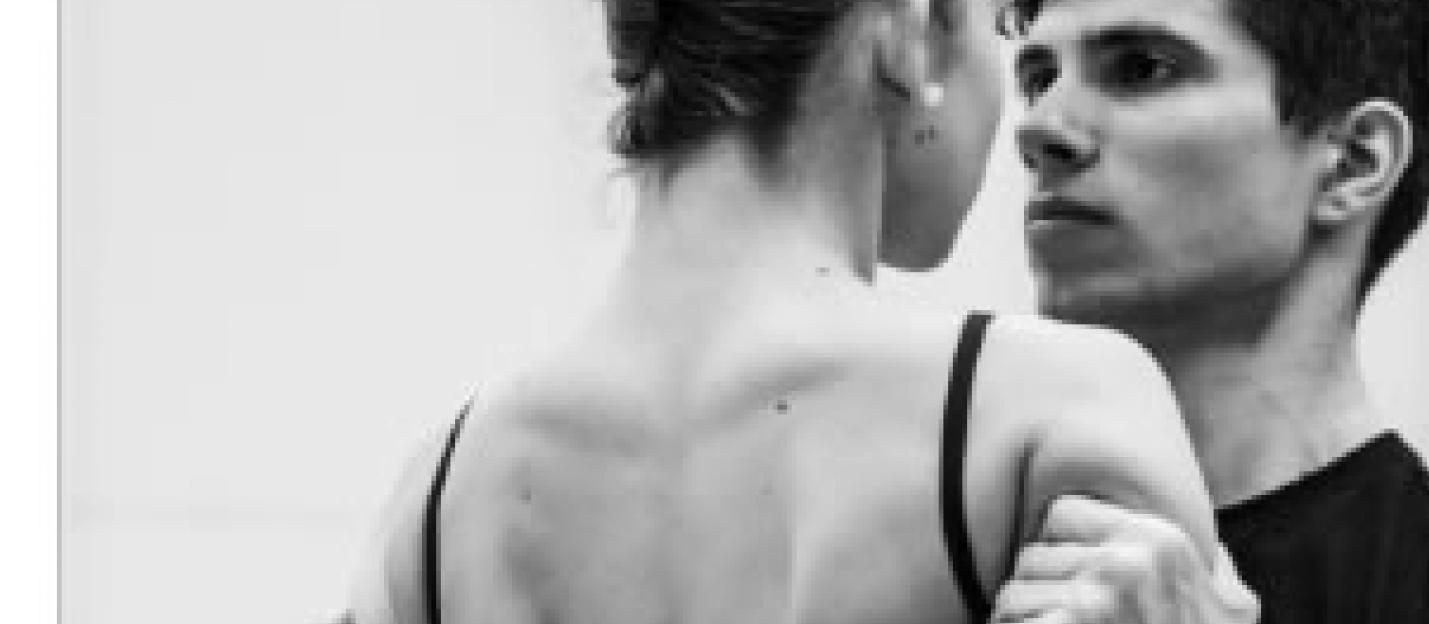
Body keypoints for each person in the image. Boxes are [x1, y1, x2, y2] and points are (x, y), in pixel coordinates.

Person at [338, 0, 1254, 623]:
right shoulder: (1047, 413)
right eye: (1000, 30)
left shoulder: (440, 501)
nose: (1021, 118)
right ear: (911, 30)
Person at [990, 0, 1429, 622]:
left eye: (1140, 69)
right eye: (1040, 79)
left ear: (1353, 163)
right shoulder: (958, 559)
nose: (1038, 127)